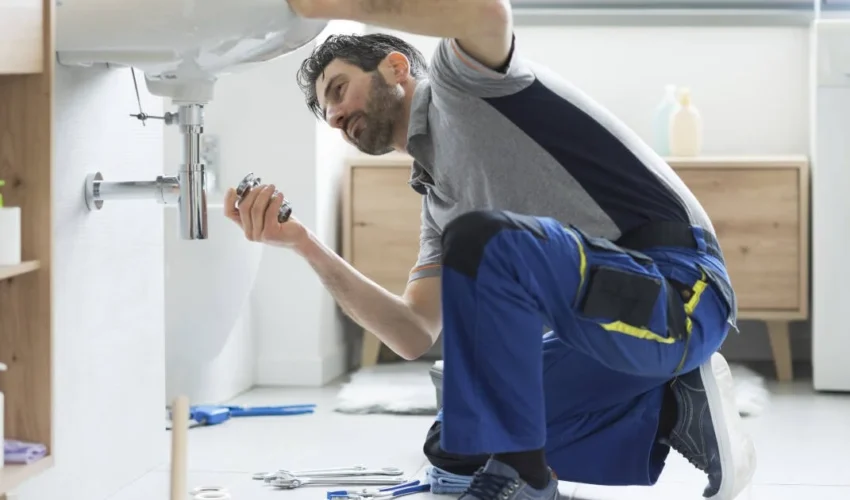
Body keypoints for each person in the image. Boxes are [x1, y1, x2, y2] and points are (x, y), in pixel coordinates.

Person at [224, 1, 756, 499]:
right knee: (457, 440)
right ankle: (674, 409)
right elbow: (412, 332)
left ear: (395, 67)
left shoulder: (461, 83)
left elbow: (487, 11)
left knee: (482, 242)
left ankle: (525, 481)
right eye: (329, 115)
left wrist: (322, 7)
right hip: (607, 334)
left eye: (339, 91)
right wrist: (303, 244)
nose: (337, 117)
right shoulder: (439, 203)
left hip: (681, 290)